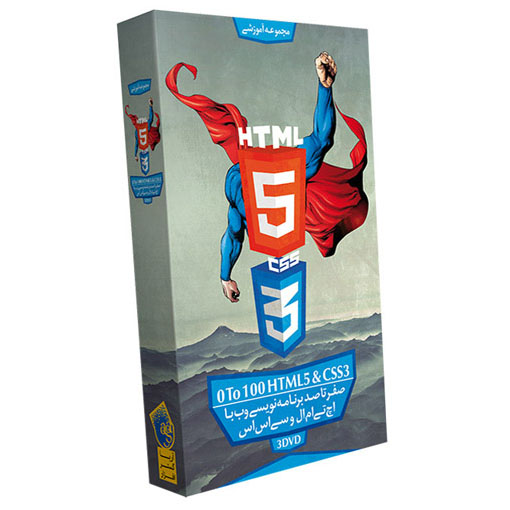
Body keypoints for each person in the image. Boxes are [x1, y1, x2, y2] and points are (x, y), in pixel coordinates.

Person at [166, 52, 368, 303]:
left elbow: (322, 138)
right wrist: (225, 277)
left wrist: (325, 88)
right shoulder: (239, 189)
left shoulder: (292, 172)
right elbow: (233, 236)